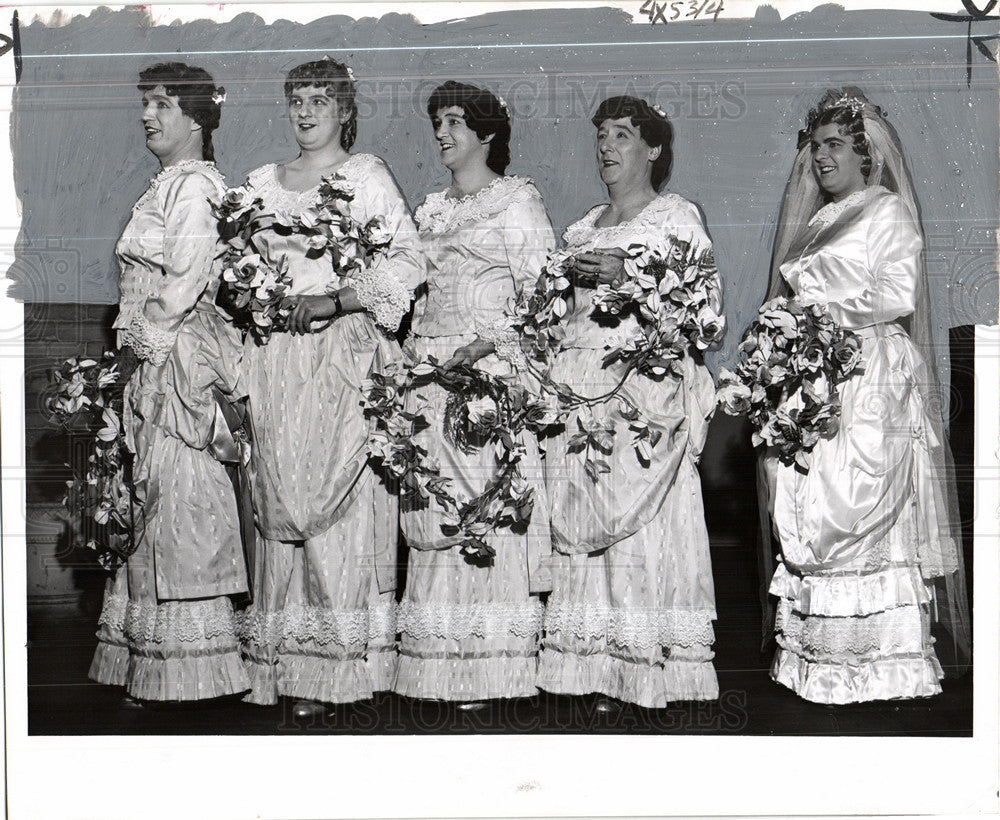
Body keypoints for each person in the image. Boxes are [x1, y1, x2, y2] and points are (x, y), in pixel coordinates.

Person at [760, 88, 972, 704]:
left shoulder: (886, 212)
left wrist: (817, 318)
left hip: (868, 372)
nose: (820, 158)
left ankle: (886, 665)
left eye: (834, 146)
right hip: (815, 373)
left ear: (866, 153)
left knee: (863, 503)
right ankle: (817, 662)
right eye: (815, 146)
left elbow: (898, 295)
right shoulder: (820, 220)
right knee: (808, 496)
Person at [234, 58, 423, 717]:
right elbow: (236, 267)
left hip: (339, 358)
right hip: (275, 358)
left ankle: (334, 668)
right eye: (297, 101)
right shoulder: (261, 184)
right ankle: (279, 664)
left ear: (345, 111)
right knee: (277, 502)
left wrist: (337, 300)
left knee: (331, 499)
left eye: (320, 100)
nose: (307, 112)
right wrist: (251, 291)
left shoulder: (364, 176)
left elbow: (408, 263)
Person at [536, 96, 721, 709]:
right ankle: (587, 664)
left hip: (641, 389)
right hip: (578, 387)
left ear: (654, 148)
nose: (608, 147)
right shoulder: (583, 227)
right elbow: (559, 316)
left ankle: (639, 667)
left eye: (622, 134)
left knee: (635, 520)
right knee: (584, 513)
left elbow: (704, 314)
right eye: (601, 136)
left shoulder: (674, 217)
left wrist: (632, 276)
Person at [88, 62, 251, 701]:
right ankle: (154, 658)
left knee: (182, 496)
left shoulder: (195, 188)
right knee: (151, 495)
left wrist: (143, 350)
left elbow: (184, 284)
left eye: (162, 103)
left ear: (197, 117)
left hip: (176, 359)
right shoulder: (167, 184)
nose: (148, 115)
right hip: (149, 354)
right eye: (146, 103)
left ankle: (195, 667)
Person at [393, 81, 554, 707]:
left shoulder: (516, 201)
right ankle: (435, 668)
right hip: (428, 375)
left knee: (480, 513)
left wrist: (485, 349)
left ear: (487, 133)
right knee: (433, 508)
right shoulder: (430, 211)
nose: (443, 132)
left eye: (456, 121)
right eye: (438, 120)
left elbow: (543, 295)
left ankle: (489, 670)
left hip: (484, 377)